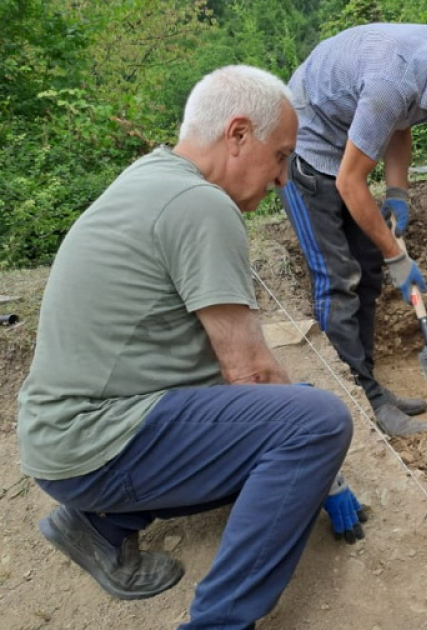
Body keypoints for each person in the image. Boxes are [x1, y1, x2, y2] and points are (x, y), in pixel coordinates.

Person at [17, 65, 367, 630]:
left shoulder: (152, 177)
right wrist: (327, 472)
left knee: (271, 433)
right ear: (237, 135)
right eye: (280, 156)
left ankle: (99, 527)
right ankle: (219, 623)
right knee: (316, 423)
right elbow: (249, 373)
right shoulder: (201, 205)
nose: (283, 179)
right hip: (92, 441)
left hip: (62, 439)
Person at [280, 23, 427, 436]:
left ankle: (368, 384)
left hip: (348, 136)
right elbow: (350, 182)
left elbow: (400, 122)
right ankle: (358, 400)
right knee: (338, 278)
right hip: (305, 142)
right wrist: (396, 254)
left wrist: (398, 193)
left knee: (367, 271)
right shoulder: (392, 81)